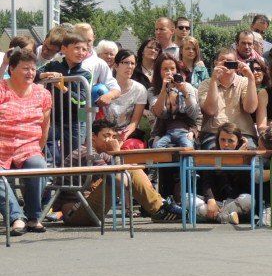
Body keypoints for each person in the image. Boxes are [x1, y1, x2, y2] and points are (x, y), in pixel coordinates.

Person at [62, 120, 182, 225]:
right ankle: (160, 209)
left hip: (86, 207)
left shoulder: (99, 153)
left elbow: (125, 167)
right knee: (128, 172)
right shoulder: (88, 154)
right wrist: (116, 152)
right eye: (106, 136)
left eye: (113, 136)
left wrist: (117, 155)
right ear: (93, 136)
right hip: (75, 211)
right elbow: (120, 180)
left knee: (131, 168)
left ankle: (160, 206)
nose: (110, 140)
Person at [0, 48, 52, 235]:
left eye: (33, 69)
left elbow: (45, 127)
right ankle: (16, 217)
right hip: (1, 145)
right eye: (25, 68)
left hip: (28, 146)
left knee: (38, 164)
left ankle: (33, 217)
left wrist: (37, 149)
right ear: (12, 69)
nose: (30, 72)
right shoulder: (1, 89)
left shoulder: (42, 94)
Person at [38, 30, 94, 155]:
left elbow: (82, 100)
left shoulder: (85, 74)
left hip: (76, 120)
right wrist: (45, 74)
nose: (81, 52)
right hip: (53, 120)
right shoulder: (53, 65)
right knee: (48, 152)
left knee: (73, 157)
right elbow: (33, 74)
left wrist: (62, 87)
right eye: (77, 48)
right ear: (64, 49)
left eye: (84, 49)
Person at [197, 49, 259, 149]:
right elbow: (210, 110)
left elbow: (250, 108)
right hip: (214, 134)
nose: (226, 65)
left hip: (243, 133)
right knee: (214, 153)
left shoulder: (245, 82)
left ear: (236, 64)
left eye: (230, 62)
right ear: (216, 63)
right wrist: (214, 80)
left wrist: (251, 78)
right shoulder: (206, 84)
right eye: (223, 61)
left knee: (251, 154)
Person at [199, 122, 256, 225]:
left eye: (230, 141)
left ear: (238, 142)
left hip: (235, 202)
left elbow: (244, 184)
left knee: (249, 200)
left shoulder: (247, 155)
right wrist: (211, 200)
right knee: (186, 197)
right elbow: (207, 182)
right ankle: (226, 217)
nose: (225, 144)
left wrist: (237, 157)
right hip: (215, 203)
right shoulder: (212, 153)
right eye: (222, 140)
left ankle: (219, 216)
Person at [150, 54, 201, 149]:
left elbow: (194, 114)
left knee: (188, 147)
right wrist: (163, 90)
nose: (169, 72)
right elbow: (158, 113)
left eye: (172, 69)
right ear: (159, 71)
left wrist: (185, 92)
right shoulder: (153, 91)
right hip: (162, 132)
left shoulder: (187, 87)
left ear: (177, 70)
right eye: (165, 69)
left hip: (186, 130)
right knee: (157, 147)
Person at [105, 50, 149, 148]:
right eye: (125, 62)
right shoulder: (105, 87)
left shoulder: (140, 89)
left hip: (128, 133)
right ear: (116, 65)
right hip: (105, 133)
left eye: (132, 63)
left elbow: (134, 122)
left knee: (130, 146)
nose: (129, 66)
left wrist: (122, 136)